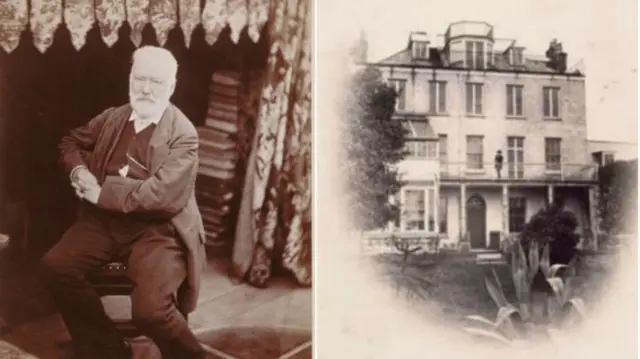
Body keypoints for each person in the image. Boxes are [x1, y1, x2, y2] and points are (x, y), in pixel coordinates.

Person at [40, 46, 209, 359]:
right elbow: (71, 142)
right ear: (130, 78)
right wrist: (78, 171)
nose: (145, 88)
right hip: (104, 222)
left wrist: (101, 193)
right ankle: (106, 348)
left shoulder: (183, 134)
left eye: (155, 82)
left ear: (171, 87)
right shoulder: (114, 117)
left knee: (149, 311)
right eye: (139, 78)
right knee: (56, 266)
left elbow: (161, 196)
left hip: (159, 231)